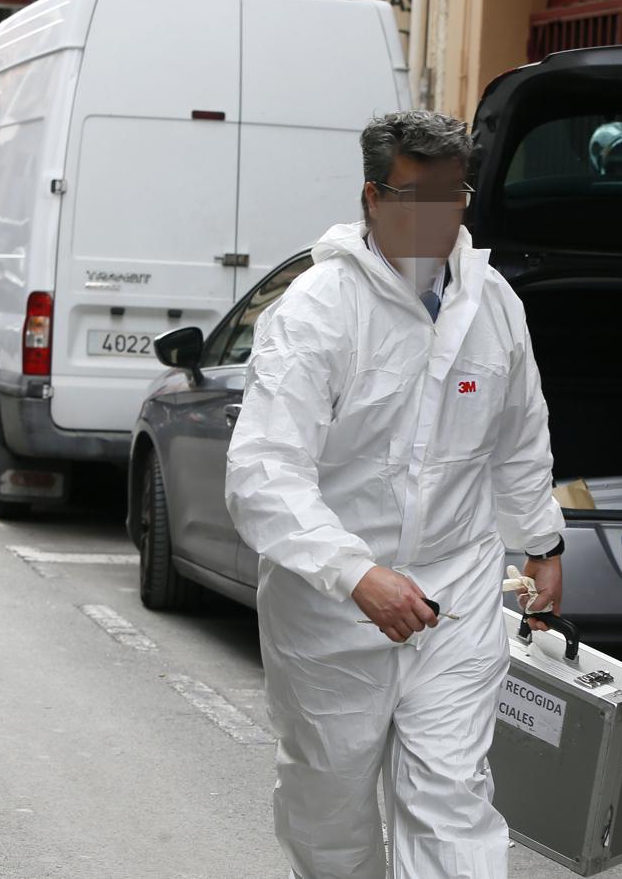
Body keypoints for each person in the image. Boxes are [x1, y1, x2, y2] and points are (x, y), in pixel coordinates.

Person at [225, 111, 566, 878]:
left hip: (457, 592)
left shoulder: (495, 305)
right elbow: (263, 472)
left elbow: (518, 441)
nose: (436, 218)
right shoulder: (318, 310)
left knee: (450, 794)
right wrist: (355, 574)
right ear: (373, 197)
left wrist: (541, 542)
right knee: (330, 804)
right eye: (416, 197)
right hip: (331, 606)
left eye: (451, 197)